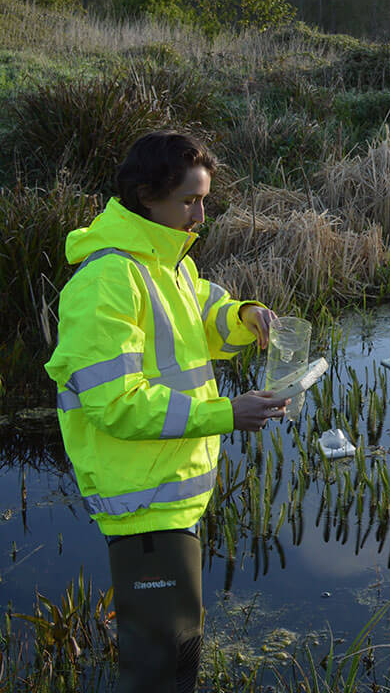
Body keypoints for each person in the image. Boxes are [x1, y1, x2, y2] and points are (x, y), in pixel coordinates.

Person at [45, 131, 287, 693]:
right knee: (157, 673)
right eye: (188, 201)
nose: (200, 215)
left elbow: (206, 314)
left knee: (179, 656)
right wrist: (226, 413)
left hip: (171, 498)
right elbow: (117, 404)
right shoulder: (107, 279)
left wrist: (244, 315)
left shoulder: (167, 262)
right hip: (144, 506)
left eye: (204, 200)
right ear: (144, 195)